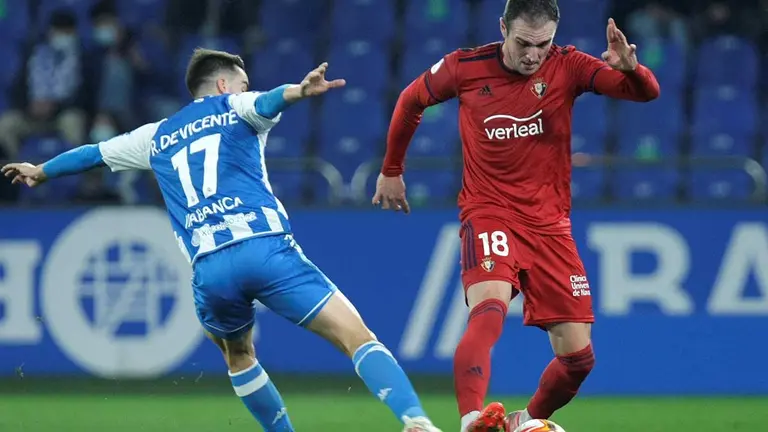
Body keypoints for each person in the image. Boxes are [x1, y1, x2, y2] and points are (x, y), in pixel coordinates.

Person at [3, 48, 442, 432]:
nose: (248, 88)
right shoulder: (235, 105)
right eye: (242, 82)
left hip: (210, 269)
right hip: (265, 249)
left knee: (239, 357)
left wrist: (41, 170)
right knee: (357, 338)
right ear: (222, 83)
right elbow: (269, 100)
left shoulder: (155, 135)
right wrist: (298, 92)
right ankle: (415, 421)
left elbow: (93, 154)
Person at [372, 0, 660, 431]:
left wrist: (632, 69)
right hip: (489, 212)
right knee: (488, 309)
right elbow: (410, 100)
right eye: (523, 42)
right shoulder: (464, 68)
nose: (532, 54)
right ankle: (472, 419)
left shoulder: (569, 66)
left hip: (550, 226)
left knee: (579, 359)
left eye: (542, 45)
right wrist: (391, 169)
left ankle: (524, 422)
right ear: (503, 27)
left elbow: (645, 93)